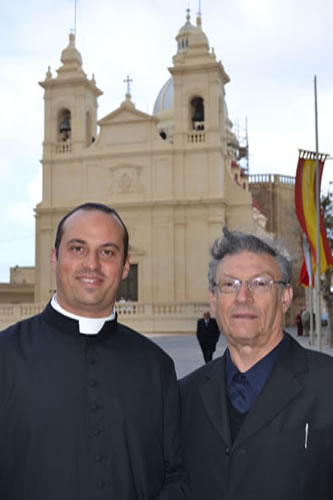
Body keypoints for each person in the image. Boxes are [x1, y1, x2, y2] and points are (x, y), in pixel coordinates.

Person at [0, 202, 189, 500]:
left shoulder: (156, 366)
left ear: (125, 266)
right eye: (77, 248)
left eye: (107, 252)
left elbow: (176, 475)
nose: (92, 264)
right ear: (54, 257)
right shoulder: (6, 356)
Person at [180, 227, 333, 500]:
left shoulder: (327, 386)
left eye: (260, 283)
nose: (243, 297)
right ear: (213, 301)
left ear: (285, 297)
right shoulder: (183, 397)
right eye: (230, 284)